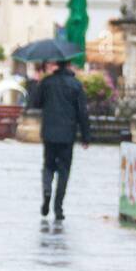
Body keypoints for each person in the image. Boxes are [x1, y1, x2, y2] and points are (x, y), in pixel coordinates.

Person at [36, 58, 90, 221]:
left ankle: (47, 190)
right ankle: (58, 207)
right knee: (64, 171)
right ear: (69, 65)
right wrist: (86, 136)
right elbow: (82, 113)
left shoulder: (47, 82)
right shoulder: (76, 85)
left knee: (48, 166)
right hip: (67, 134)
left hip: (49, 133)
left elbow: (36, 102)